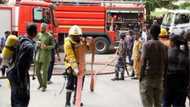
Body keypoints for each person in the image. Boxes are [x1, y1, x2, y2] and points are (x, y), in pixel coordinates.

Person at [6, 23, 37, 107]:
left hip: (12, 71)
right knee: (22, 99)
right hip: (18, 74)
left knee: (15, 97)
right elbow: (22, 65)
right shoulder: (29, 47)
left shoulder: (20, 39)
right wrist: (22, 82)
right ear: (34, 33)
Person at [140, 24, 168, 107]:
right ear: (159, 33)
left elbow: (143, 62)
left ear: (150, 32)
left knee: (148, 103)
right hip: (159, 79)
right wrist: (164, 77)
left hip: (148, 78)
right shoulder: (163, 46)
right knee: (158, 103)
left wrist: (141, 77)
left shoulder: (147, 45)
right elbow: (166, 62)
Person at [163, 34, 189, 107]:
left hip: (169, 83)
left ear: (173, 42)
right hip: (181, 85)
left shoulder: (168, 52)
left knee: (166, 103)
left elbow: (163, 68)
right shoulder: (185, 54)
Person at [35, 23, 55, 92]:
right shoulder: (39, 34)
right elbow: (36, 42)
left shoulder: (50, 36)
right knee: (37, 71)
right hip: (39, 55)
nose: (41, 28)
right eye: (41, 27)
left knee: (44, 72)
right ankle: (40, 84)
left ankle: (44, 86)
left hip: (46, 56)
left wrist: (47, 47)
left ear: (46, 28)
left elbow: (53, 46)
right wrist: (37, 44)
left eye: (43, 27)